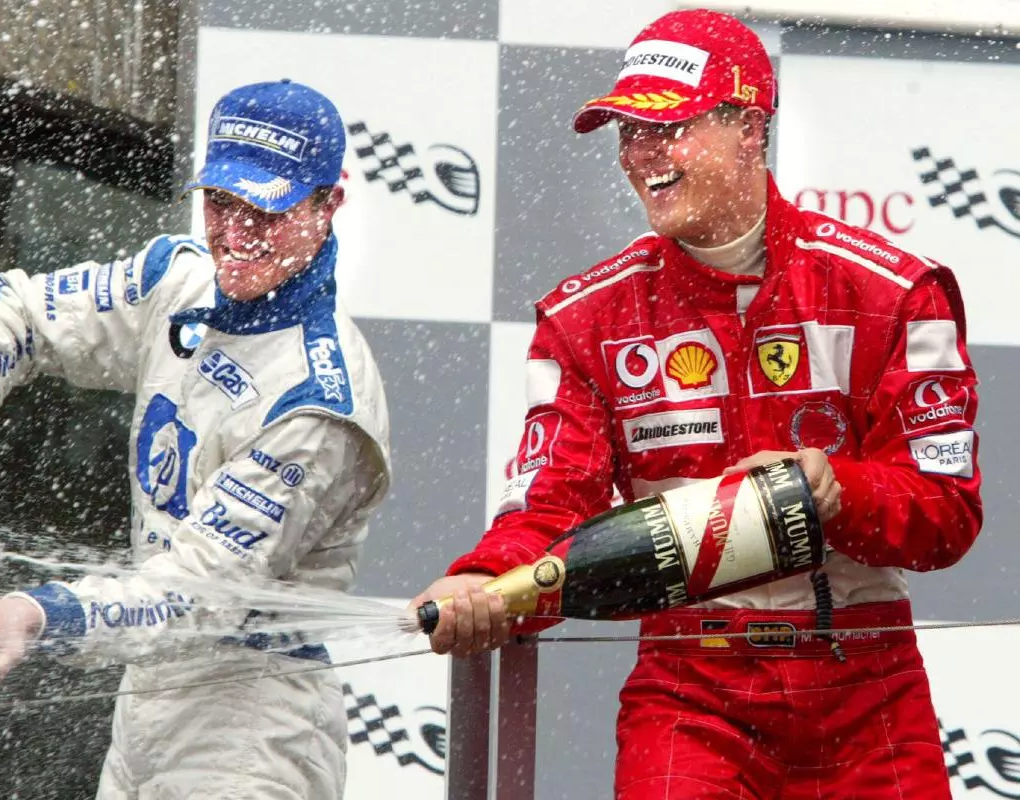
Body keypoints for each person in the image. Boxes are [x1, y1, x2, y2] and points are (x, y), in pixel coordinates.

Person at [413, 9, 980, 799]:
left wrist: (833, 489)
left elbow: (947, 514)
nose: (639, 156)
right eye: (626, 134)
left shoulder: (889, 292)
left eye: (664, 129)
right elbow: (551, 515)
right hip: (692, 692)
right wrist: (481, 582)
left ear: (749, 127)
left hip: (865, 688)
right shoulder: (586, 320)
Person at [0, 79, 391, 800]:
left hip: (252, 726)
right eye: (223, 203)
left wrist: (40, 614)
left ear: (329, 205)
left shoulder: (321, 400)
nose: (237, 234)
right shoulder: (178, 278)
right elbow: (23, 309)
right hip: (146, 704)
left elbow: (199, 594)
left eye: (268, 209)